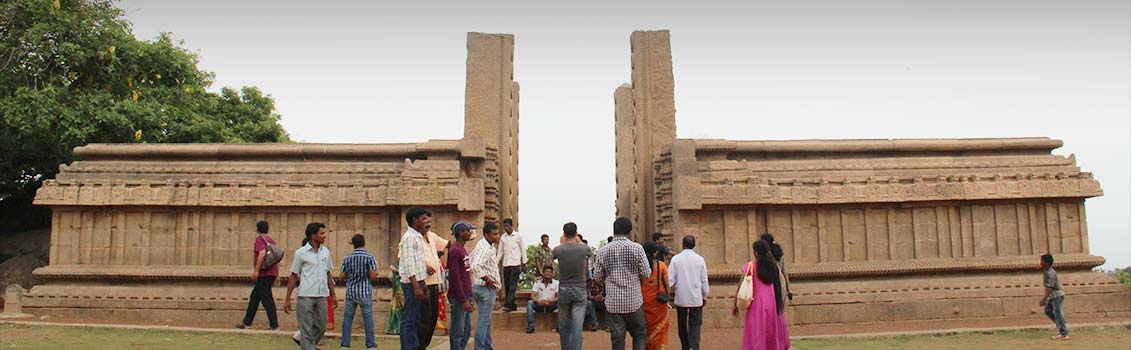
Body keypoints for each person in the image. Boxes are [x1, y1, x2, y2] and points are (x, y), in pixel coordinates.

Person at [594, 217, 651, 350]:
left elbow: (597, 277)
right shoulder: (637, 248)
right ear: (629, 231)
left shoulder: (602, 251)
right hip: (634, 301)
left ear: (614, 231)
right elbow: (646, 273)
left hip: (613, 303)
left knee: (617, 339)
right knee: (639, 334)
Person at [284, 222, 336, 350]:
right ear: (313, 236)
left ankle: (306, 345)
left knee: (321, 326)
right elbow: (293, 275)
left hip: (322, 295)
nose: (324, 236)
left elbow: (328, 273)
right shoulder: (300, 253)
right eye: (322, 233)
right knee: (306, 330)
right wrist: (287, 298)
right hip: (305, 295)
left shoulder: (326, 252)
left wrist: (333, 294)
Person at [732, 240, 788, 350]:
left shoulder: (750, 267)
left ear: (756, 253)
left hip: (756, 303)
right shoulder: (775, 267)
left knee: (756, 331)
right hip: (772, 303)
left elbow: (741, 286)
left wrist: (735, 304)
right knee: (770, 330)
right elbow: (781, 284)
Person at [398, 207, 435, 350]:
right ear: (415, 220)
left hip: (418, 281)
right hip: (410, 283)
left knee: (416, 318)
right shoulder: (408, 238)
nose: (427, 222)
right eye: (423, 219)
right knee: (409, 319)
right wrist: (416, 286)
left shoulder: (418, 237)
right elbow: (408, 264)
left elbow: (419, 263)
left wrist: (423, 284)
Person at [554, 222, 592, 349]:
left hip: (564, 287)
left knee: (564, 325)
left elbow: (553, 257)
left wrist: (562, 242)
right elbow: (589, 253)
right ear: (576, 233)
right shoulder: (584, 248)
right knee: (577, 325)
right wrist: (578, 240)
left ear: (564, 234)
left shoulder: (558, 249)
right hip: (579, 288)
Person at [237, 220, 280, 330]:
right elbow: (276, 258)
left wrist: (256, 271)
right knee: (255, 298)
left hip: (264, 274)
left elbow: (262, 254)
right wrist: (277, 274)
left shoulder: (260, 240)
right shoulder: (271, 240)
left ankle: (274, 325)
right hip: (271, 273)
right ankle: (247, 322)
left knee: (267, 299)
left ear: (257, 229)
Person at [668, 235, 708, 350]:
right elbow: (704, 280)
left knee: (682, 324)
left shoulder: (676, 259)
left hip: (681, 297)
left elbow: (670, 280)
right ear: (694, 245)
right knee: (695, 324)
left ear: (683, 244)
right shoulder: (700, 259)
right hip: (696, 297)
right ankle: (694, 347)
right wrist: (704, 295)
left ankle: (685, 346)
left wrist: (666, 294)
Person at [340, 234, 379, 350]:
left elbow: (341, 276)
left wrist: (350, 277)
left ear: (353, 244)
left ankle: (345, 344)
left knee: (347, 318)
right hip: (364, 290)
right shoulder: (369, 257)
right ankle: (370, 344)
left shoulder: (347, 258)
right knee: (367, 318)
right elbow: (373, 275)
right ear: (364, 243)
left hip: (351, 291)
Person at [470, 223, 502, 350]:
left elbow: (471, 259)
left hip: (480, 287)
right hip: (485, 288)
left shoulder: (485, 245)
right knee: (483, 321)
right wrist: (487, 279)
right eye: (494, 234)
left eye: (498, 233)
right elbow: (475, 266)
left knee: (486, 320)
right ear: (487, 235)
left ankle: (487, 346)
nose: (497, 236)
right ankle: (479, 348)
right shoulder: (484, 248)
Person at [447, 221, 476, 350]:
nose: (470, 233)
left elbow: (466, 276)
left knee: (467, 329)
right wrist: (463, 299)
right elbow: (455, 278)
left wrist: (470, 297)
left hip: (466, 296)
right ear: (460, 233)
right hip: (459, 297)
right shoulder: (454, 251)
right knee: (458, 330)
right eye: (467, 231)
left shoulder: (462, 250)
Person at [418, 229, 449, 348]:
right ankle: (419, 345)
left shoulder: (431, 236)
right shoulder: (411, 238)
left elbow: (447, 244)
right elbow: (403, 260)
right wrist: (424, 266)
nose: (427, 222)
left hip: (435, 285)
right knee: (423, 319)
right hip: (423, 285)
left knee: (432, 318)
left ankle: (424, 345)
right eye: (424, 219)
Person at [641, 242, 670, 350]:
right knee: (661, 329)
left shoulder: (640, 267)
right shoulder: (661, 265)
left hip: (644, 301)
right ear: (656, 253)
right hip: (659, 301)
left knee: (647, 328)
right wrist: (667, 296)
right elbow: (667, 283)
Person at [498, 218, 526, 312]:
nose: (506, 228)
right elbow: (500, 251)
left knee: (513, 285)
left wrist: (524, 262)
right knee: (507, 285)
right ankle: (512, 304)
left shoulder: (518, 236)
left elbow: (523, 250)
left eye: (507, 226)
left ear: (511, 226)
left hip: (515, 264)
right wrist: (496, 262)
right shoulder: (503, 237)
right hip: (506, 264)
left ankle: (508, 304)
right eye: (504, 226)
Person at [1041, 254, 1069, 340]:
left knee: (1058, 313)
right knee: (1048, 311)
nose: (1040, 263)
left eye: (1042, 261)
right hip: (1052, 296)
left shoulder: (1051, 273)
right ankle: (1061, 326)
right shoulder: (1046, 271)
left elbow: (1050, 288)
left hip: (1057, 296)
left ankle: (1063, 333)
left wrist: (1044, 299)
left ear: (1047, 262)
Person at [527, 266, 559, 333]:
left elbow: (558, 297)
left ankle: (559, 326)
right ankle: (531, 327)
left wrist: (550, 301)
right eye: (546, 272)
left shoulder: (556, 283)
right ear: (543, 273)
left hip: (551, 305)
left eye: (550, 272)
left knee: (562, 303)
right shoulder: (537, 282)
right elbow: (532, 296)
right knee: (530, 303)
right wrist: (539, 302)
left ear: (552, 274)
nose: (548, 273)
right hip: (539, 306)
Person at [386, 264, 404, 335]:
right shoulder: (395, 266)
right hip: (396, 292)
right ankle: (395, 328)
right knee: (395, 308)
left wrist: (396, 271)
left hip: (403, 291)